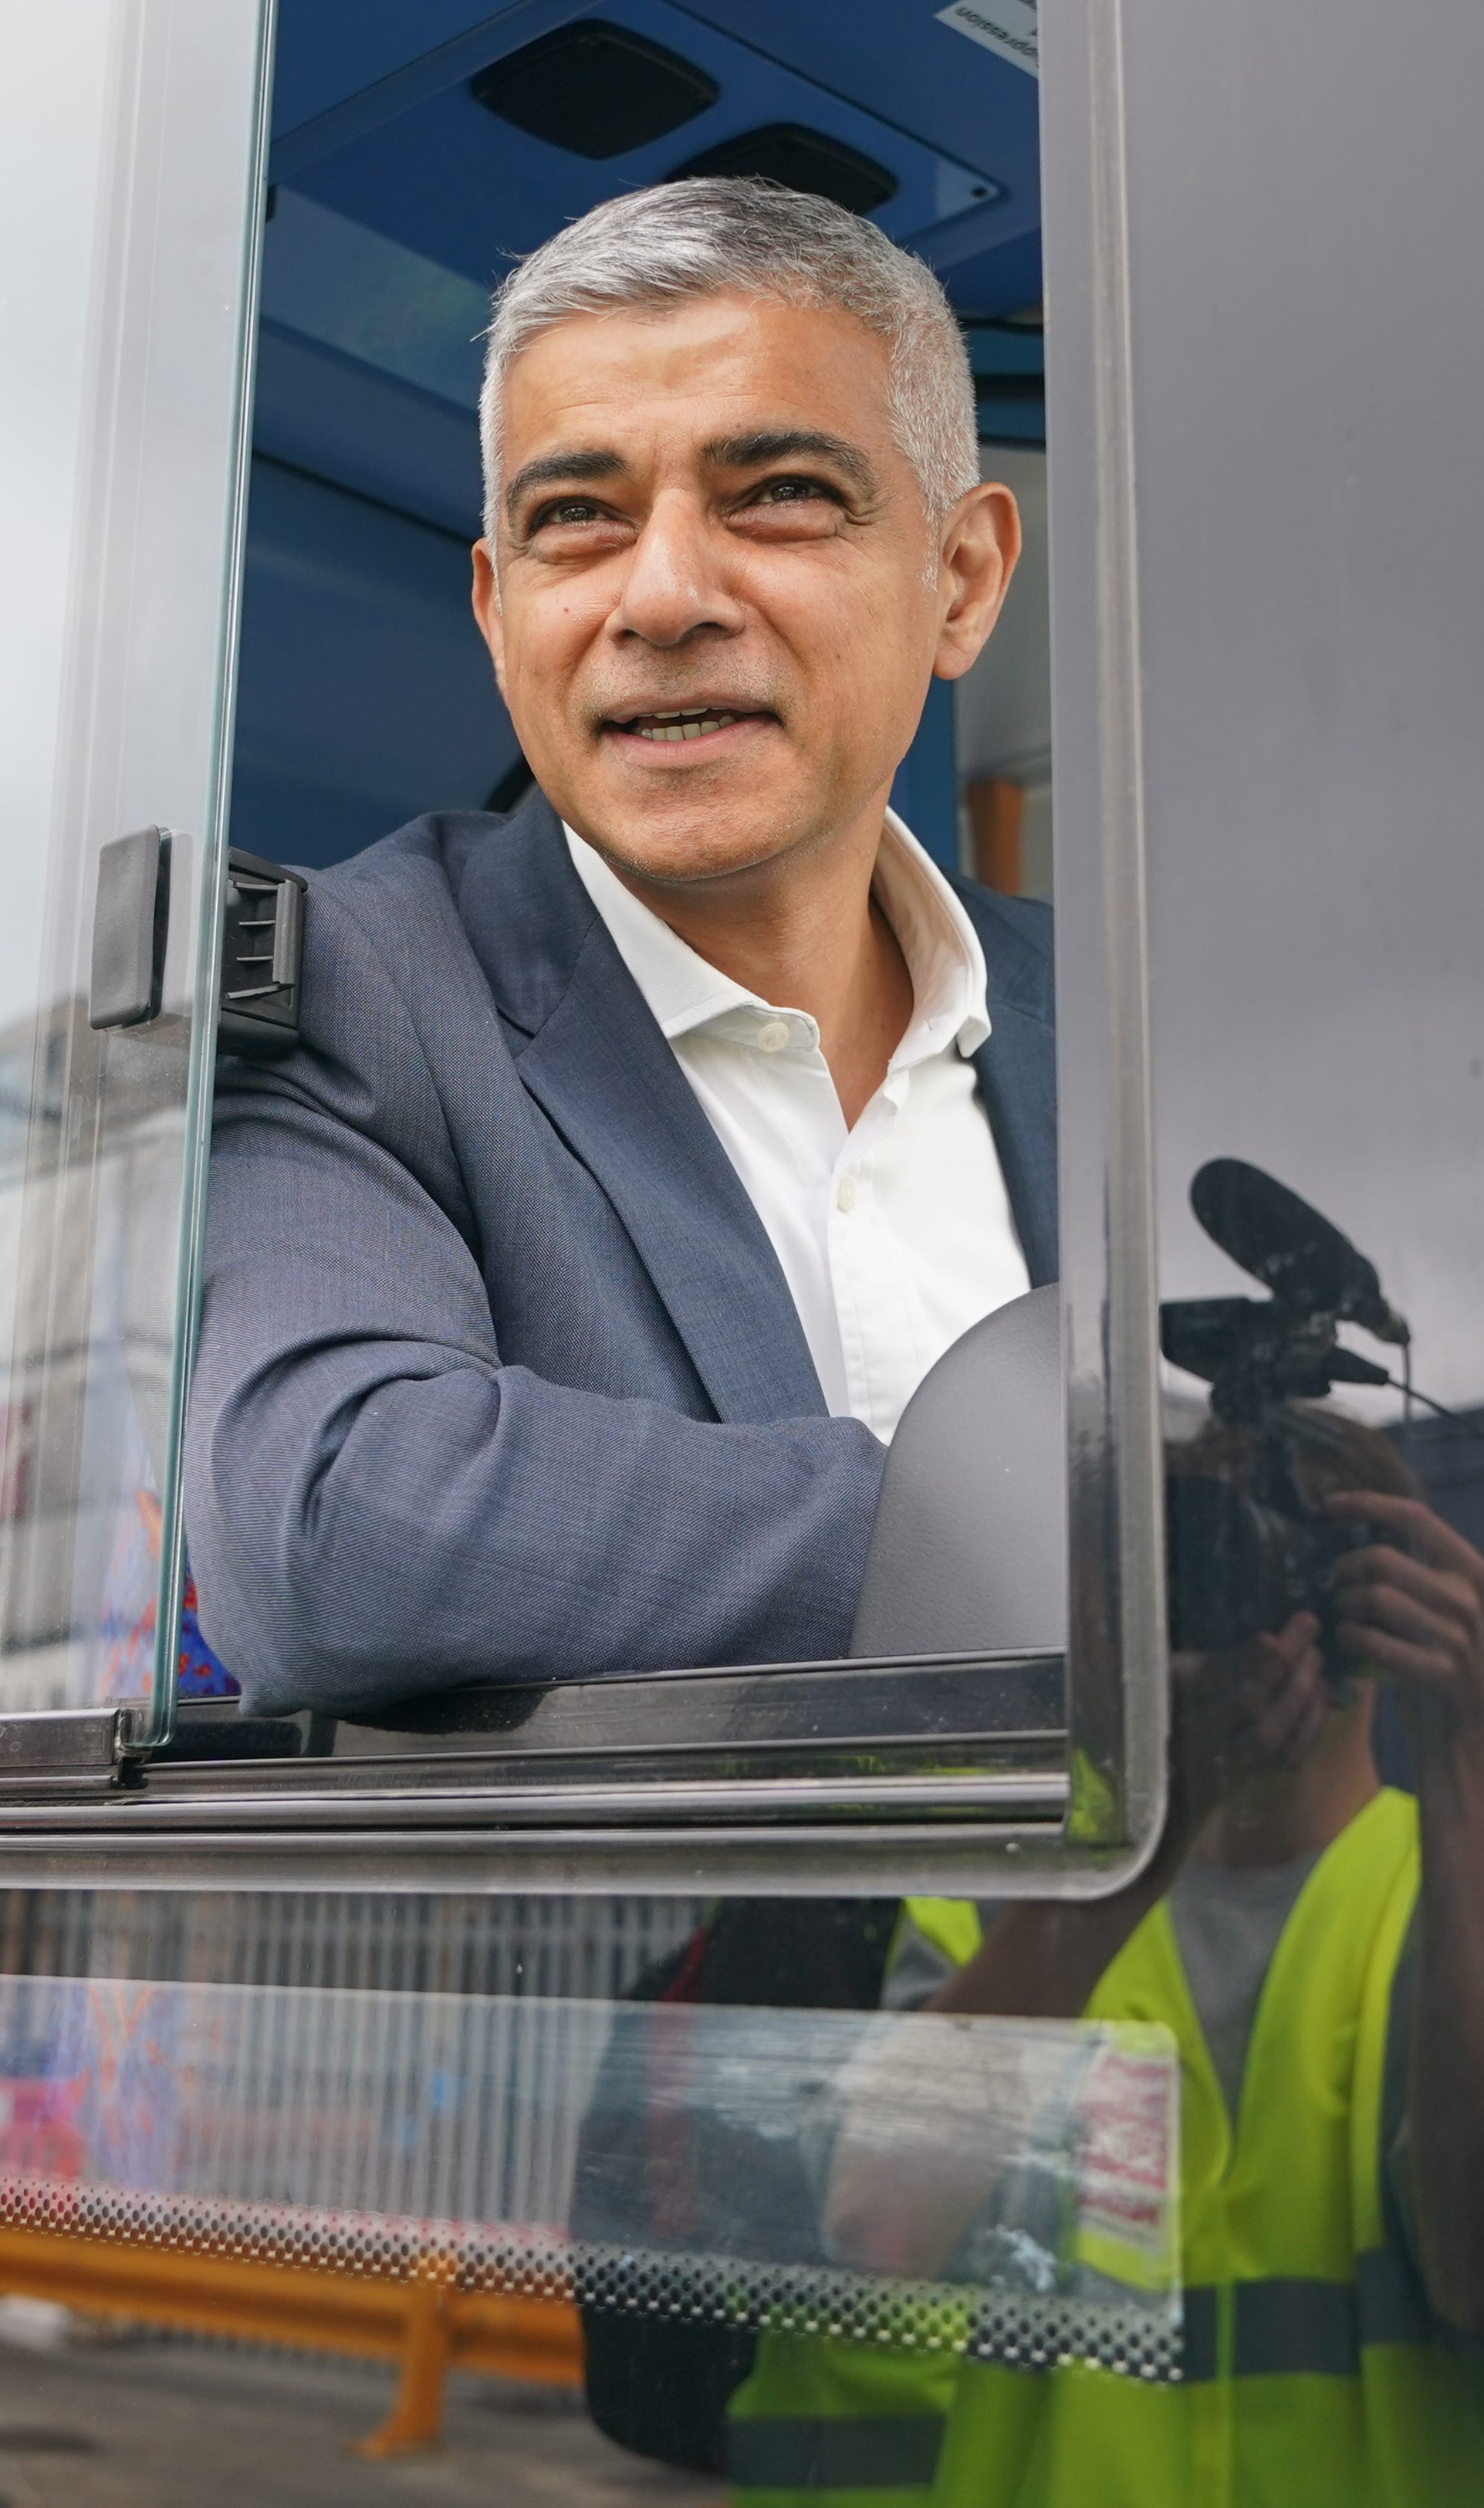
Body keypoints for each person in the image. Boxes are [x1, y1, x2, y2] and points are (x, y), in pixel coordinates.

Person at [190, 177, 1041, 1717]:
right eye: (576, 518)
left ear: (962, 577)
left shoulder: (1135, 1014)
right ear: (499, 606)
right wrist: (1076, 1548)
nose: (660, 596)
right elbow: (331, 1517)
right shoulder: (352, 986)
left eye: (776, 489)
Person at [739, 1406, 1484, 2506]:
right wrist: (1147, 1823)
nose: (1256, 1611)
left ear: (1381, 1597)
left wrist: (1469, 1743)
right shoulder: (997, 1911)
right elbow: (875, 2228)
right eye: (1206, 1566)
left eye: (1298, 1567)